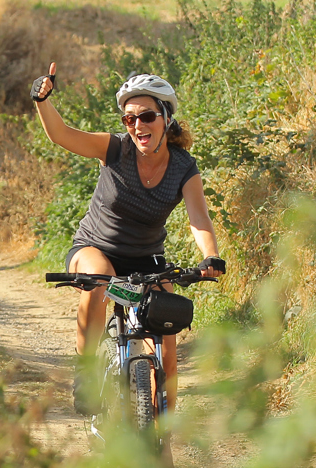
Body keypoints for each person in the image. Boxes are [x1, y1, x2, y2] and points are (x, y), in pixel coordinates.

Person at [30, 64, 225, 423]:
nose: (137, 126)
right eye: (129, 119)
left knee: (167, 343)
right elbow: (62, 135)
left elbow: (199, 218)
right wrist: (42, 99)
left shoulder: (183, 166)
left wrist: (210, 255)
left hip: (146, 259)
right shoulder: (116, 150)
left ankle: (161, 444)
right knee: (100, 276)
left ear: (166, 118)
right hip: (94, 249)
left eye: (146, 116)